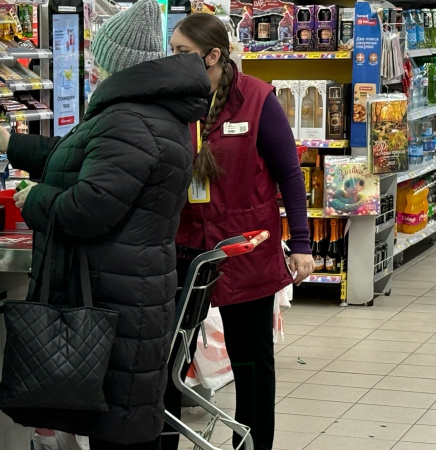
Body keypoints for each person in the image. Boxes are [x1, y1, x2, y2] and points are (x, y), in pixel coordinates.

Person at [0, 1, 211, 448]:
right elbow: (83, 161)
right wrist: (16, 144)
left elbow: (89, 207)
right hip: (131, 292)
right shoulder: (145, 113)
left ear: (118, 62)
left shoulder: (129, 120)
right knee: (124, 423)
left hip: (115, 300)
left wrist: (34, 198)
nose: (92, 69)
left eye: (98, 58)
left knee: (119, 430)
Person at [165, 13, 314, 450]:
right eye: (170, 51)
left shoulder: (257, 99)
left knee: (251, 365)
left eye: (182, 53)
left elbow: (290, 173)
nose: (173, 61)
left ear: (213, 55)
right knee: (167, 358)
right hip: (184, 248)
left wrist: (302, 244)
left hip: (245, 250)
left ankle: (251, 446)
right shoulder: (176, 99)